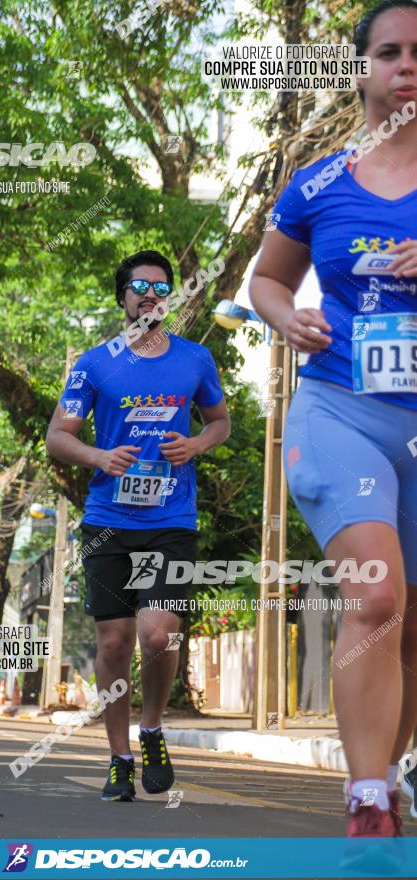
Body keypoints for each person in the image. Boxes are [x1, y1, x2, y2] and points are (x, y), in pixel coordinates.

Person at [250, 0, 417, 837]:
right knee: (377, 597)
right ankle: (363, 799)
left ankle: (387, 779)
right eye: (389, 51)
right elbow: (266, 280)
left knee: (410, 623)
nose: (407, 66)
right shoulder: (317, 181)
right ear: (362, 69)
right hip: (340, 407)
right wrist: (284, 317)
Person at [46, 249, 230, 801]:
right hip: (108, 520)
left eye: (161, 286)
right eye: (140, 286)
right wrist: (99, 457)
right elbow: (59, 436)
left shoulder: (196, 360)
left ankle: (152, 728)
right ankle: (119, 757)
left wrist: (196, 443)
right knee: (114, 641)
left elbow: (219, 422)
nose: (151, 294)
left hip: (172, 518)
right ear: (122, 297)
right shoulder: (94, 364)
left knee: (159, 632)